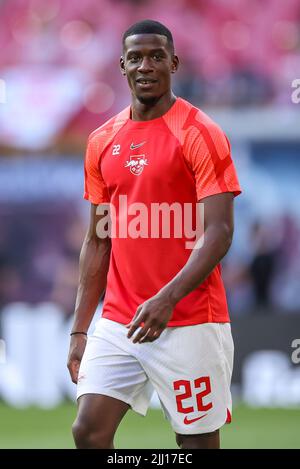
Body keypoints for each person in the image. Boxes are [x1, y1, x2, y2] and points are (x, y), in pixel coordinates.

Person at [67, 19, 241, 449]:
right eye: (136, 57)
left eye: (157, 56)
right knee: (88, 432)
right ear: (121, 67)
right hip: (119, 321)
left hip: (190, 321)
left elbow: (218, 233)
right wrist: (79, 329)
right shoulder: (102, 140)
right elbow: (98, 240)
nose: (146, 65)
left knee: (196, 445)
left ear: (174, 63)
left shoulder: (201, 133)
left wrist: (167, 298)